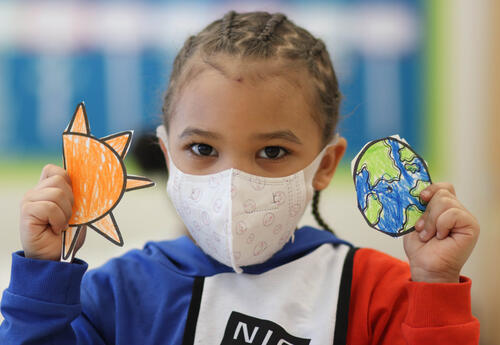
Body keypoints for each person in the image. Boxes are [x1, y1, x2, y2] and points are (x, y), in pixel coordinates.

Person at [0, 11, 480, 345]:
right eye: (202, 149)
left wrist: (435, 285)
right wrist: (42, 276)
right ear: (168, 156)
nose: (233, 180)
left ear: (325, 165)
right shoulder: (118, 293)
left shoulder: (380, 291)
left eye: (272, 151)